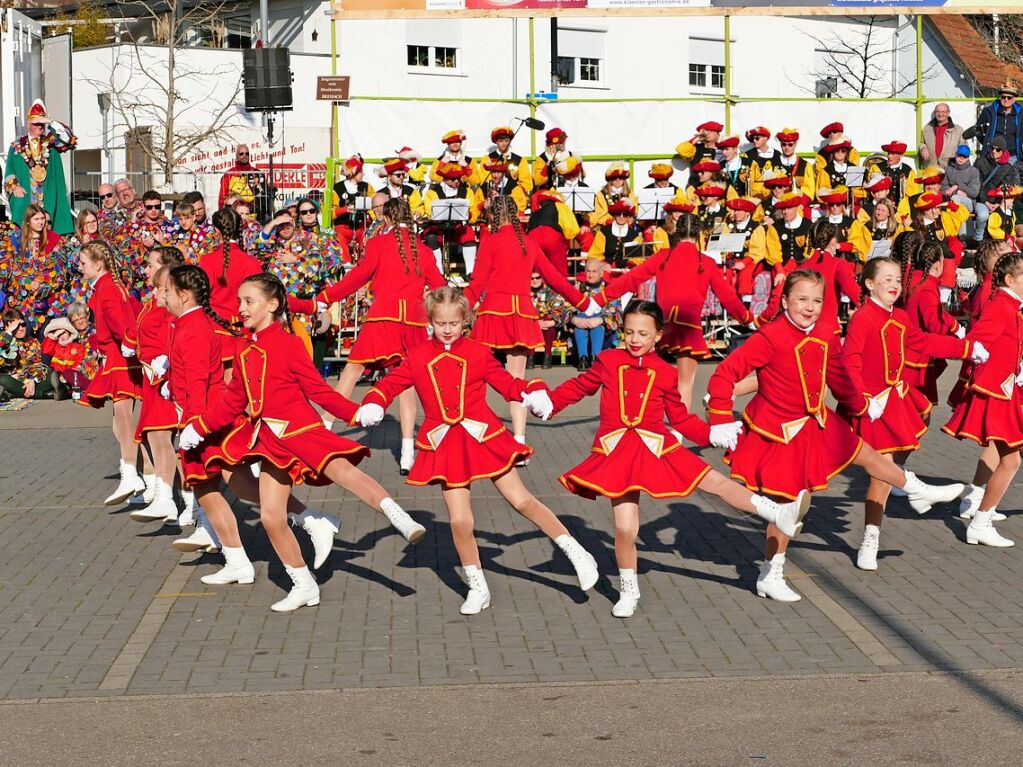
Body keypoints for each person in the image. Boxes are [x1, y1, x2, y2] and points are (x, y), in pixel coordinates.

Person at [537, 300, 810, 617]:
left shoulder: (665, 373)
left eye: (642, 333)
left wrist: (710, 434)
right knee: (625, 528)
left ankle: (778, 513)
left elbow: (680, 419)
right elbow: (579, 387)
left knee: (715, 482)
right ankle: (629, 589)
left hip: (658, 447)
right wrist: (550, 402)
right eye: (629, 332)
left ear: (657, 336)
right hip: (617, 452)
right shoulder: (608, 360)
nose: (635, 339)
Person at [707, 269, 964, 601]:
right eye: (801, 299)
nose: (810, 307)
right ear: (784, 301)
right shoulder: (770, 337)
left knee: (868, 455)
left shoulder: (827, 333)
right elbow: (724, 373)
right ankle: (771, 572)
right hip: (780, 432)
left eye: (817, 300)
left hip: (817, 422)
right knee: (789, 506)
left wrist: (861, 406)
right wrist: (719, 416)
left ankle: (917, 489)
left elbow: (840, 379)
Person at [178, 272, 427, 611]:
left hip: (301, 429)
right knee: (270, 516)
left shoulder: (289, 344)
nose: (241, 308)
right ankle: (304, 584)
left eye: (249, 301)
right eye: (240, 302)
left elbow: (320, 392)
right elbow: (233, 401)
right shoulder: (244, 350)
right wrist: (202, 426)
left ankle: (400, 518)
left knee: (345, 473)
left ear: (273, 304)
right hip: (269, 440)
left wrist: (356, 414)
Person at [354, 286, 600, 615]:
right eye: (440, 323)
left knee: (522, 500)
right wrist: (375, 400)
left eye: (453, 323)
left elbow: (507, 383)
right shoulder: (417, 356)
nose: (447, 329)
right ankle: (477, 585)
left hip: (483, 437)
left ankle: (576, 552)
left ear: (465, 321)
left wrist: (533, 393)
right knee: (459, 520)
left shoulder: (477, 352)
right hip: (445, 444)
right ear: (430, 321)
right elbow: (390, 384)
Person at [842, 257, 984, 570]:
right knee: (879, 473)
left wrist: (965, 348)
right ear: (869, 284)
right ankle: (874, 532)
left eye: (896, 279)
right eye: (886, 279)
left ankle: (891, 514)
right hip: (869, 406)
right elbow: (849, 362)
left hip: (893, 399)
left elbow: (924, 342)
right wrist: (862, 399)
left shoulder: (901, 317)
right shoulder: (863, 318)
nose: (893, 285)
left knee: (892, 460)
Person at [312, 198, 445, 475]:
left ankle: (323, 432)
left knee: (350, 373)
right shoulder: (423, 250)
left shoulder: (377, 244)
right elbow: (440, 287)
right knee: (406, 386)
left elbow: (357, 278)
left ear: (385, 219)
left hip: (383, 319)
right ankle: (407, 452)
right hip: (413, 323)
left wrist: (326, 297)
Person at [589, 215, 756, 408]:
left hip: (663, 324)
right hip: (688, 326)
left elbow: (631, 279)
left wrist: (600, 299)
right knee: (685, 382)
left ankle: (637, 412)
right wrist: (747, 318)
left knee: (646, 374)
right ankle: (678, 429)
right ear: (699, 234)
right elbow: (727, 297)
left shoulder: (663, 256)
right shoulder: (706, 262)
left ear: (677, 233)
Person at [465, 197, 594, 445]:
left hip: (493, 313)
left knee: (476, 377)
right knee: (518, 381)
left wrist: (457, 310)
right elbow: (555, 278)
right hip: (522, 314)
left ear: (493, 216)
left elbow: (477, 283)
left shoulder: (490, 241)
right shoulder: (528, 242)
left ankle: (475, 433)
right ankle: (520, 439)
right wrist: (583, 302)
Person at [942, 250, 1023, 547]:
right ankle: (980, 519)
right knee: (1011, 460)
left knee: (1010, 457)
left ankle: (980, 511)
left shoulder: (1012, 305)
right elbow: (977, 343)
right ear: (1010, 279)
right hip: (996, 393)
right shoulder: (1001, 306)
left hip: (1005, 389)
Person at [77, 241, 144, 505]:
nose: (80, 268)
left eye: (83, 263)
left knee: (125, 418)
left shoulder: (106, 289)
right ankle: (138, 478)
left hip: (119, 355)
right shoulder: (107, 287)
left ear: (98, 264)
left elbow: (120, 322)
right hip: (115, 353)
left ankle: (131, 473)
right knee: (119, 421)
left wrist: (128, 344)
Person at [125, 247, 186, 526]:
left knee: (166, 440)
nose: (145, 270)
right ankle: (167, 497)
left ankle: (178, 499)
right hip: (152, 376)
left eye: (151, 265)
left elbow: (170, 338)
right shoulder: (153, 304)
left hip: (163, 377)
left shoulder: (169, 308)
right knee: (155, 438)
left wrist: (165, 366)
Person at [198, 208, 263, 366]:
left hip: (215, 328)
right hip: (245, 329)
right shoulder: (252, 263)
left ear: (216, 230)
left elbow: (200, 297)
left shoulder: (207, 261)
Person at [3, 100, 75, 235]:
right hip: (26, 195)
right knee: (22, 228)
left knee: (49, 229)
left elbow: (68, 139)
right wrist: (15, 186)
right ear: (28, 124)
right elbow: (9, 171)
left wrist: (51, 121)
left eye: (42, 123)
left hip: (47, 194)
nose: (40, 127)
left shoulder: (51, 144)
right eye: (37, 123)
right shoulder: (16, 146)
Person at [0, 203, 65, 331]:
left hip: (48, 303)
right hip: (23, 303)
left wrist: (43, 286)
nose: (41, 222)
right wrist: (28, 282)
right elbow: (12, 271)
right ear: (28, 221)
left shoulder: (55, 240)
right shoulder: (15, 240)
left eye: (42, 219)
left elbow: (60, 273)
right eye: (36, 219)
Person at [568, 258, 620, 371]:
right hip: (581, 328)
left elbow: (616, 312)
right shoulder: (578, 289)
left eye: (594, 271)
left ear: (601, 273)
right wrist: (574, 320)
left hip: (604, 332)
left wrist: (601, 319)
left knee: (597, 326)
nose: (590, 275)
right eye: (588, 271)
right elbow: (567, 309)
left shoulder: (609, 289)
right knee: (580, 320)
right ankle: (583, 358)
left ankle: (595, 358)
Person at [973, 137, 1020, 241]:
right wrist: (986, 202)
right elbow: (976, 185)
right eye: (992, 148)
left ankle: (1003, 242)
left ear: (1003, 151)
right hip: (982, 200)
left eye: (998, 149)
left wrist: (999, 204)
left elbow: (1007, 189)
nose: (994, 151)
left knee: (1006, 217)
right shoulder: (980, 162)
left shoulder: (1007, 168)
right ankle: (978, 241)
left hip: (999, 203)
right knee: (983, 215)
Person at [0, 308, 53, 399]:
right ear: (7, 327)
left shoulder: (32, 342)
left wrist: (32, 381)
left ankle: (20, 392)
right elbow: (4, 362)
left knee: (52, 374)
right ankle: (41, 394)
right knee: (3, 379)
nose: (21, 328)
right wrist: (8, 333)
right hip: (11, 379)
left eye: (23, 325)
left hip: (27, 379)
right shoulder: (3, 340)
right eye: (16, 326)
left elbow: (37, 364)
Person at [966, 79, 1023, 162]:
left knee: (1012, 175)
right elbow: (978, 130)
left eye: (1009, 97)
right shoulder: (988, 111)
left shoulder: (1020, 114)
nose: (1006, 99)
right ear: (1000, 97)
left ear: (1014, 99)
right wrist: (987, 143)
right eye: (1003, 97)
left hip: (1012, 156)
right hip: (992, 155)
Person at [332, 154, 375, 248]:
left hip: (362, 228)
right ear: (353, 173)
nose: (363, 174)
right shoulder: (337, 188)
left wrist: (375, 220)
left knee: (368, 241)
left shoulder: (367, 187)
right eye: (361, 171)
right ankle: (345, 262)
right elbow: (331, 211)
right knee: (339, 240)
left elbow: (373, 207)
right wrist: (345, 210)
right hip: (343, 228)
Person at [528, 270, 568, 369]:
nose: (534, 281)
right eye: (532, 278)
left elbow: (558, 307)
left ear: (542, 279)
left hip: (548, 324)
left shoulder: (550, 291)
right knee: (529, 326)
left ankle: (547, 356)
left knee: (548, 321)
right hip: (530, 323)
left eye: (537, 278)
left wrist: (551, 321)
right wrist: (535, 322)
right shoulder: (524, 292)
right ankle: (530, 357)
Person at [41, 316, 88, 399]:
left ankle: (63, 391)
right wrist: (54, 336)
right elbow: (45, 350)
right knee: (54, 376)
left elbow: (80, 362)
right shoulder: (54, 346)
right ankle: (60, 391)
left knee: (71, 376)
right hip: (57, 376)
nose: (62, 336)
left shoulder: (77, 347)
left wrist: (66, 375)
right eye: (59, 334)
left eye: (64, 333)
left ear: (70, 333)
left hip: (71, 376)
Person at [942, 145, 981, 238]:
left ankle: (959, 237)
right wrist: (957, 192)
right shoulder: (948, 170)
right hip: (952, 202)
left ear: (968, 158)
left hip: (969, 202)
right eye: (959, 155)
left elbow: (974, 192)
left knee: (956, 200)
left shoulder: (973, 171)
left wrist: (957, 187)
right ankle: (961, 239)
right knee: (957, 206)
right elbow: (944, 189)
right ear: (955, 154)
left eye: (964, 156)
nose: (961, 158)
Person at [218, 144, 266, 213]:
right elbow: (222, 198)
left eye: (247, 154)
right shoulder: (229, 174)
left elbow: (262, 196)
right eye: (241, 154)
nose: (244, 156)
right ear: (236, 156)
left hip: (252, 212)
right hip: (234, 213)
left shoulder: (256, 173)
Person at [590, 162, 637, 228]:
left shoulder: (630, 194)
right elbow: (598, 214)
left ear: (624, 179)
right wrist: (610, 221)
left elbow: (634, 213)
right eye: (614, 177)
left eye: (621, 177)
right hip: (606, 226)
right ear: (610, 179)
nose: (618, 180)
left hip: (626, 227)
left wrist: (626, 221)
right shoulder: (601, 194)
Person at [919, 103, 964, 170]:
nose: (940, 114)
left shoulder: (958, 130)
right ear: (935, 113)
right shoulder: (927, 128)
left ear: (948, 113)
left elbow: (963, 147)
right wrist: (923, 148)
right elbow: (922, 143)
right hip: (931, 169)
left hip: (950, 169)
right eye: (938, 111)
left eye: (943, 112)